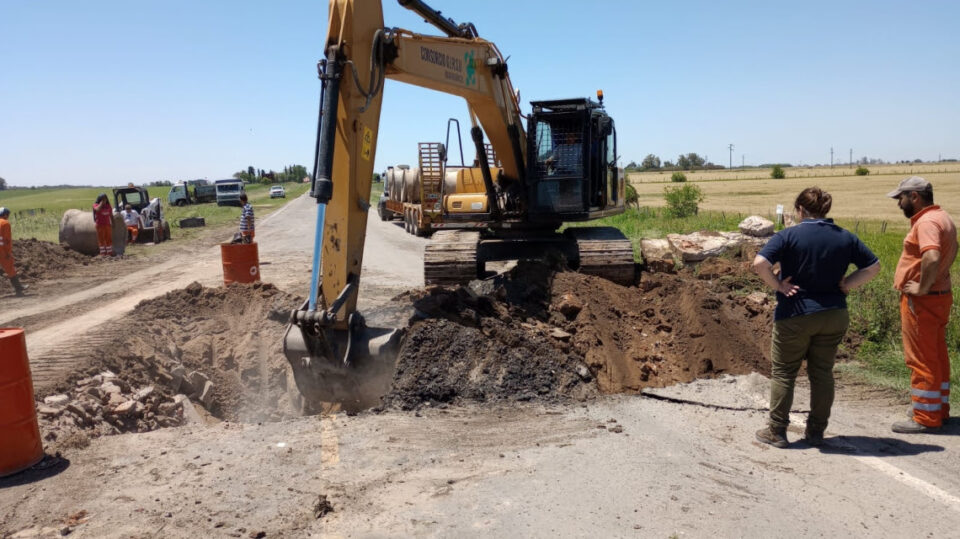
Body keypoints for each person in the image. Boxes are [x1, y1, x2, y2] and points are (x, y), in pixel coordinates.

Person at [753, 187, 880, 448]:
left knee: (784, 373)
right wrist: (848, 284)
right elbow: (873, 267)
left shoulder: (788, 235)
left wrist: (779, 286)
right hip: (834, 314)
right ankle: (816, 431)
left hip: (796, 313)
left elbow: (759, 263)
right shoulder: (845, 237)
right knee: (822, 373)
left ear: (800, 210)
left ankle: (777, 430)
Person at [887, 176, 957, 433]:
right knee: (936, 354)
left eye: (901, 198)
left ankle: (925, 417)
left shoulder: (926, 222)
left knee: (920, 358)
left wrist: (922, 287)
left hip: (923, 301)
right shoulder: (942, 217)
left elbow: (932, 256)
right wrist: (938, 279)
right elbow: (953, 249)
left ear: (914, 196)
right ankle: (938, 408)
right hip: (939, 296)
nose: (899, 204)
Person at [0, 207, 27, 296]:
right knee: (10, 269)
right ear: (5, 215)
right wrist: (8, 252)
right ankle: (18, 289)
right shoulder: (5, 223)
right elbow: (7, 240)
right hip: (2, 250)